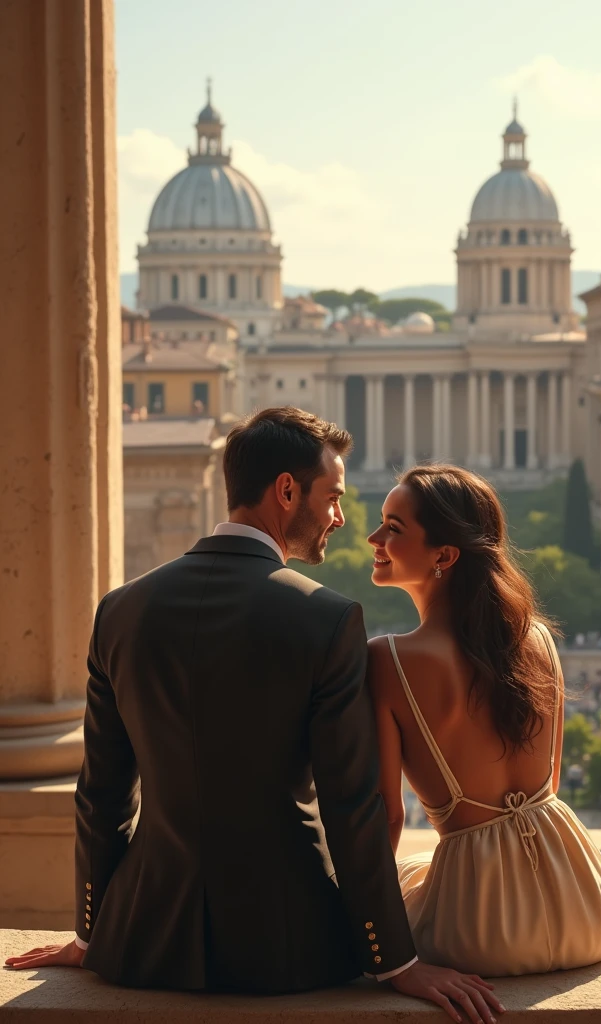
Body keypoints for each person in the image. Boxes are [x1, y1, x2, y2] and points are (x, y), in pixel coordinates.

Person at [7, 410, 502, 1024]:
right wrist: (394, 959)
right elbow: (353, 807)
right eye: (333, 497)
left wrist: (90, 934)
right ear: (287, 490)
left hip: (139, 941)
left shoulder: (120, 609)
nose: (340, 519)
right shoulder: (328, 618)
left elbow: (102, 795)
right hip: (289, 947)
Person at [366, 464, 601, 977]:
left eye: (393, 528)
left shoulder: (388, 659)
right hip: (590, 907)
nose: (374, 538)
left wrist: (374, 946)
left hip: (480, 931)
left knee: (397, 886)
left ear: (444, 556)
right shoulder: (537, 638)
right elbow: (548, 783)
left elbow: (388, 818)